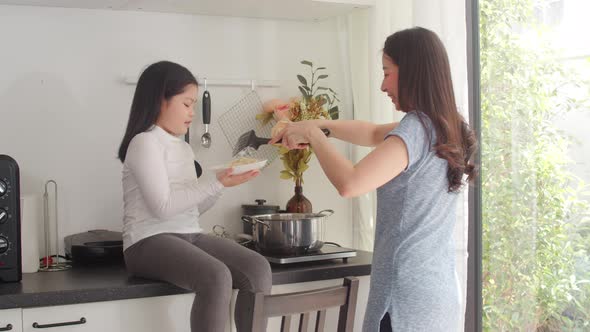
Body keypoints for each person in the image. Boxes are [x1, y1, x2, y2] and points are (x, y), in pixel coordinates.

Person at [270, 27, 477, 331]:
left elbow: (351, 183)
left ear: (412, 71)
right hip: (438, 297)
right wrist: (318, 124)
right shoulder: (447, 125)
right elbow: (371, 132)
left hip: (405, 299)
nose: (382, 85)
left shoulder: (417, 128)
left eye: (387, 72)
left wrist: (314, 135)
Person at [117, 61, 272, 332]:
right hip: (146, 242)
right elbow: (163, 208)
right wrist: (215, 182)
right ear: (160, 100)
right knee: (216, 275)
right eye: (187, 103)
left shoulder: (184, 150)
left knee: (257, 268)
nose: (192, 113)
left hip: (188, 233)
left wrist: (225, 183)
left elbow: (191, 209)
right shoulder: (144, 143)